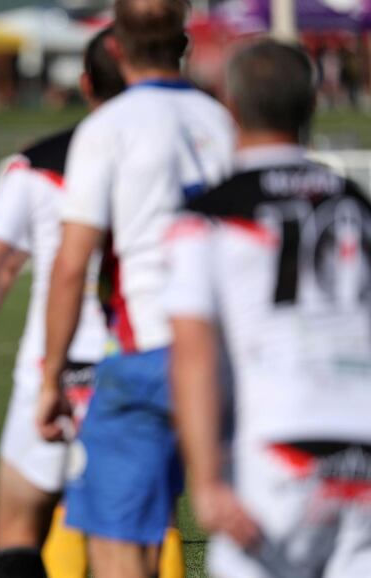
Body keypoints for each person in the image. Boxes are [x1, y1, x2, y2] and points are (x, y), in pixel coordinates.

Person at [0, 28, 184, 578]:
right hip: (144, 359)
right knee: (141, 529)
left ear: (85, 84)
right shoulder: (181, 150)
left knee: (19, 531)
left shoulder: (39, 162)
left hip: (54, 368)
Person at [36, 1, 235, 577]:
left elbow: (72, 264)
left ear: (116, 48)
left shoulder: (107, 128)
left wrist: (51, 377)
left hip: (148, 351)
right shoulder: (222, 121)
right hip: (224, 356)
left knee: (119, 544)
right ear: (184, 43)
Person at [167, 39, 371, 578]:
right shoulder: (356, 204)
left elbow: (194, 353)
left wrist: (206, 479)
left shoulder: (211, 212)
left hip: (280, 451)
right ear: (312, 105)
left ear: (230, 106)